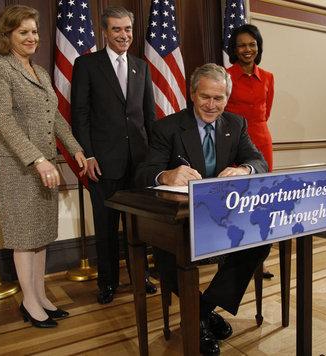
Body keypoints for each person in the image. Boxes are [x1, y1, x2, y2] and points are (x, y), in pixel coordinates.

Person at [135, 63, 271, 355]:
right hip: (179, 220)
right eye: (205, 97)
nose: (211, 105)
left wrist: (244, 169)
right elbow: (144, 173)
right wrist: (166, 175)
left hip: (222, 219)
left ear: (226, 98)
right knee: (168, 255)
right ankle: (203, 316)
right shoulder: (167, 127)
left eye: (218, 98)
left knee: (259, 242)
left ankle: (199, 312)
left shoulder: (236, 125)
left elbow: (261, 163)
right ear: (192, 95)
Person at [0, 5, 88, 328]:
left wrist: (75, 149)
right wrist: (38, 159)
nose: (32, 38)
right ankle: (29, 303)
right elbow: (4, 121)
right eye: (23, 32)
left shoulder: (39, 72)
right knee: (24, 235)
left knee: (41, 234)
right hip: (19, 165)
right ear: (7, 35)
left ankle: (40, 295)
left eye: (34, 31)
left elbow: (55, 117)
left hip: (46, 164)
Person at [71, 6, 157, 305]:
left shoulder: (141, 66)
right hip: (103, 163)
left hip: (138, 162)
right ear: (105, 32)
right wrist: (88, 155)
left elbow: (149, 116)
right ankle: (107, 282)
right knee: (106, 227)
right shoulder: (87, 65)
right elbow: (79, 114)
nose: (124, 35)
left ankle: (140, 277)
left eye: (128, 30)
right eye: (117, 30)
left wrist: (154, 158)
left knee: (138, 225)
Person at [226, 24, 275, 279]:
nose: (247, 49)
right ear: (235, 49)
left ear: (258, 47)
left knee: (261, 202)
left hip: (262, 141)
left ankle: (260, 259)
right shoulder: (225, 75)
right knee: (236, 202)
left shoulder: (267, 76)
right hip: (234, 143)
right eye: (242, 45)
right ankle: (234, 257)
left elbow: (266, 112)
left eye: (252, 44)